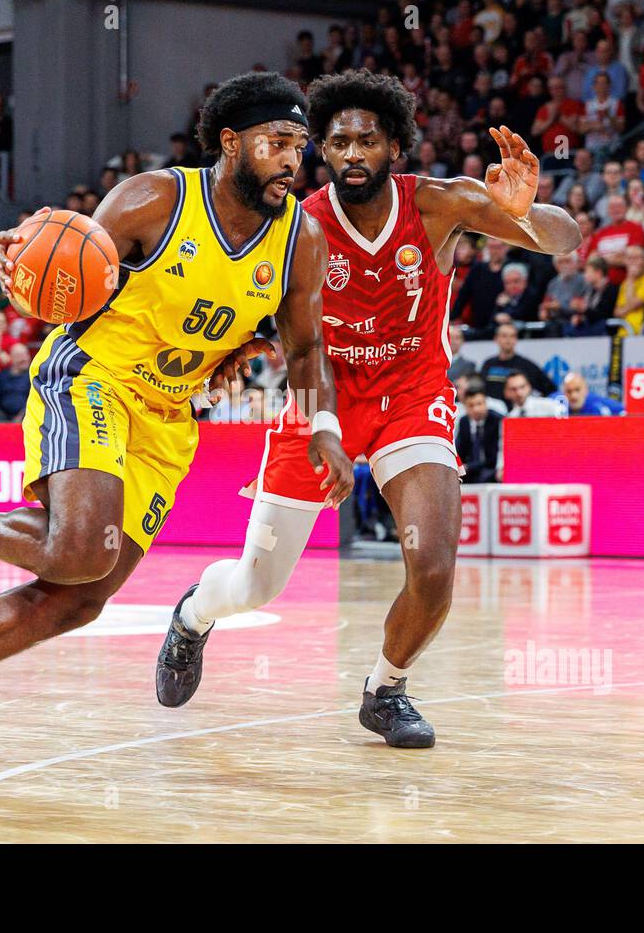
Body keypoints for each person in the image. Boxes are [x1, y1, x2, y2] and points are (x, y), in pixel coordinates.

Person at [0, 71, 354, 784]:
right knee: (80, 546)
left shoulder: (300, 240)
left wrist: (325, 427)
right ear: (230, 141)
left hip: (169, 418)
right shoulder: (157, 198)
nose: (292, 160)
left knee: (80, 597)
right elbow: (67, 255)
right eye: (277, 142)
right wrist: (21, 258)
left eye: (299, 146)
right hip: (92, 376)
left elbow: (306, 347)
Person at [152, 70, 579, 748]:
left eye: (368, 139)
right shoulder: (296, 224)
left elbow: (566, 239)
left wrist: (526, 211)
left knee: (434, 565)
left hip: (412, 393)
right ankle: (195, 615)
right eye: (340, 140)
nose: (353, 152)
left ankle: (385, 690)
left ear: (395, 149)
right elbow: (278, 320)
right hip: (322, 393)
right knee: (256, 585)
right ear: (323, 149)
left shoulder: (440, 203)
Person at [479, 322, 556, 399]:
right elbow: (480, 390)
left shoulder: (527, 365)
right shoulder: (488, 364)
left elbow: (550, 389)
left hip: (517, 409)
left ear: (516, 339)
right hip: (493, 409)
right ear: (496, 339)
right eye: (504, 336)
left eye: (512, 336)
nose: (508, 340)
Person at [456, 382, 502, 482]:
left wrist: (469, 467)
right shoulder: (464, 421)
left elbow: (493, 457)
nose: (476, 409)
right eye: (471, 405)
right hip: (470, 470)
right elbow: (460, 449)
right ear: (465, 406)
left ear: (485, 403)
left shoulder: (496, 420)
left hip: (490, 468)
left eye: (479, 404)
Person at [553, 372, 622, 415]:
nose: (573, 395)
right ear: (563, 392)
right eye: (569, 391)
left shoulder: (597, 403)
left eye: (577, 390)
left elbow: (623, 411)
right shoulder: (557, 402)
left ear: (586, 390)